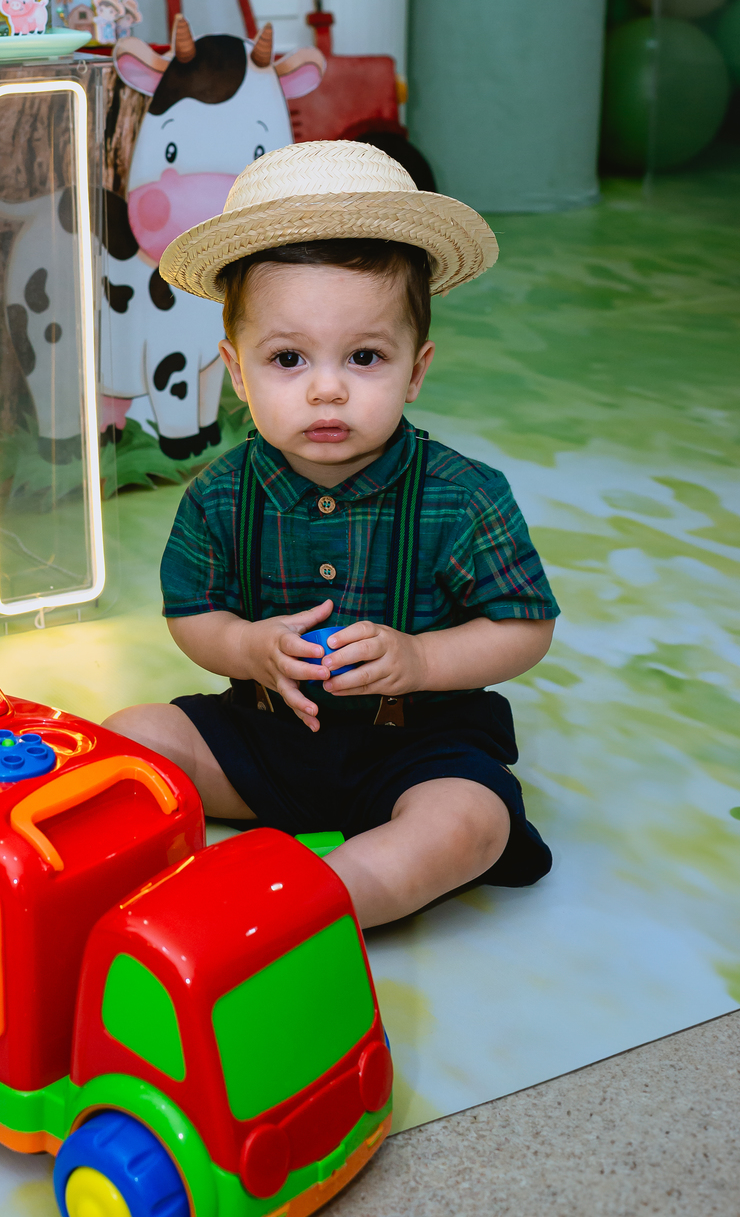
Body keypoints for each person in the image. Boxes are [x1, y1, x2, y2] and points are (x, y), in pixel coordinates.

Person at [104, 140, 558, 930]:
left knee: (468, 824)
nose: (327, 387)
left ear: (415, 369)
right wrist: (245, 650)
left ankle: (301, 907)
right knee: (128, 743)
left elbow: (525, 626)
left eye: (364, 357)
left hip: (416, 747)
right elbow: (193, 616)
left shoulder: (464, 496)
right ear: (237, 372)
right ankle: (110, 889)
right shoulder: (218, 494)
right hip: (262, 735)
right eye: (287, 358)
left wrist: (421, 659)